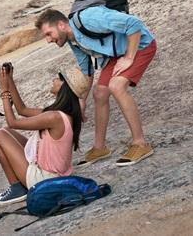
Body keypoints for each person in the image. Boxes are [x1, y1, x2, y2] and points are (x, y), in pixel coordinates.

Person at [35, 8, 156, 167]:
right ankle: (100, 148)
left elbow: (133, 24)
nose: (48, 40)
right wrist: (81, 101)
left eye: (48, 34)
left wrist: (129, 57)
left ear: (61, 25)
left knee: (116, 86)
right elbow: (87, 72)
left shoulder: (88, 18)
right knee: (99, 94)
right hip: (115, 56)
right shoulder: (72, 40)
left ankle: (140, 144)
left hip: (140, 46)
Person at [0, 64, 90, 204]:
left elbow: (12, 122)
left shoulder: (54, 117)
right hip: (52, 175)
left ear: (64, 88)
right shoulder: (64, 114)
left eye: (59, 79)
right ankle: (18, 186)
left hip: (44, 179)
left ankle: (17, 188)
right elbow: (22, 110)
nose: (54, 80)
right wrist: (9, 80)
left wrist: (4, 91)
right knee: (7, 132)